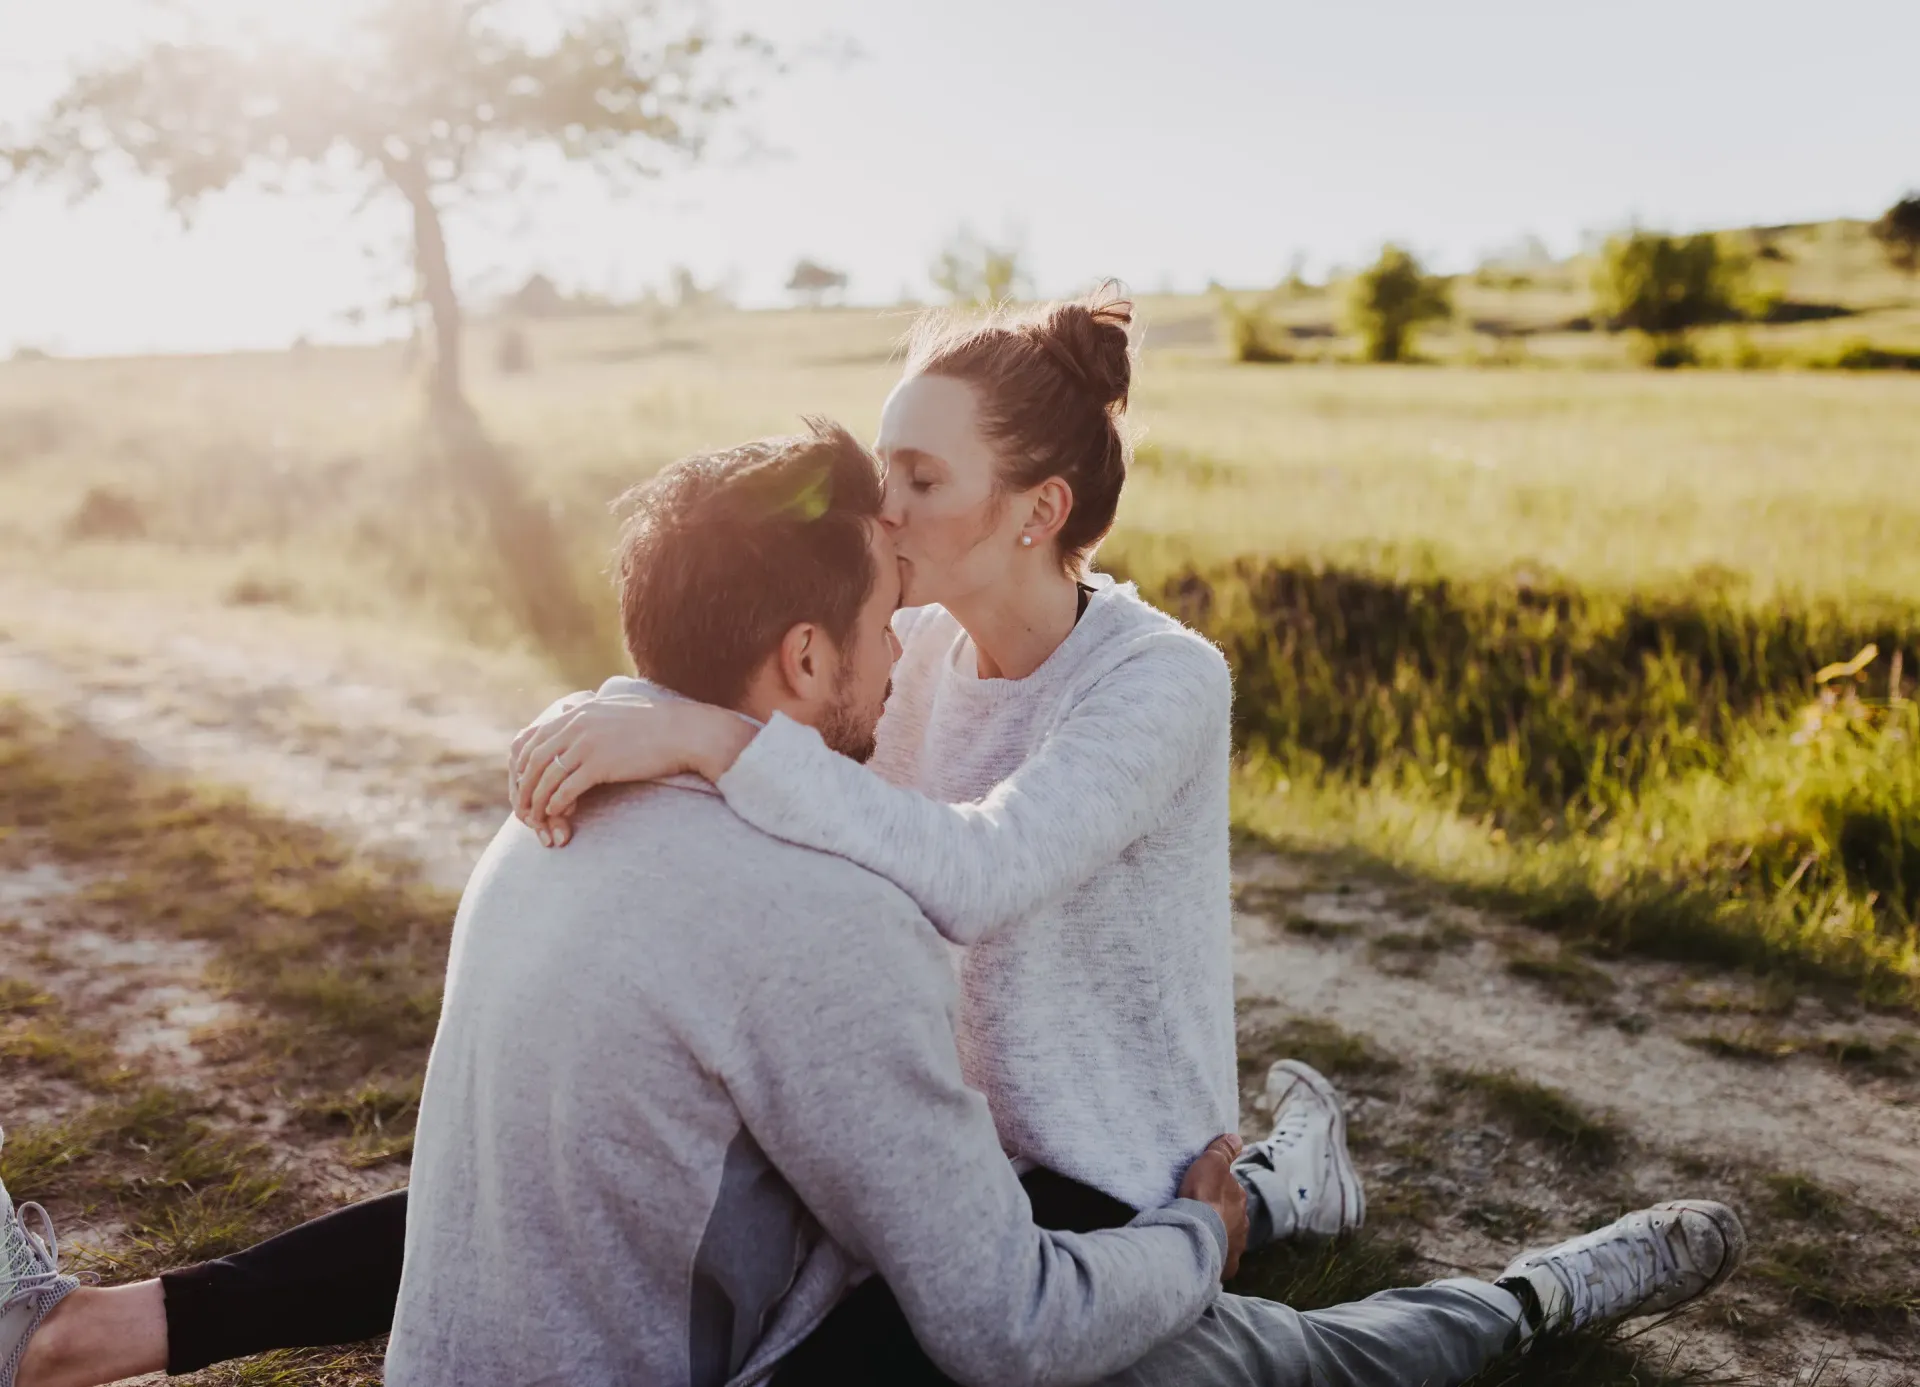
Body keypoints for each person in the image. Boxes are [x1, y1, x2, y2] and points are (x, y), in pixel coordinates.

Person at [5, 422, 1747, 1387]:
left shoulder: (552, 819)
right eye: (880, 596)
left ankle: (1293, 1206)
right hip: (832, 1335)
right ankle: (1538, 1293)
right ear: (808, 652)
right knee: (1246, 1357)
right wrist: (1195, 1238)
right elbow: (1002, 1322)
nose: (911, 616)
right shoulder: (813, 919)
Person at [509, 285, 1361, 1249]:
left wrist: (709, 740)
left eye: (922, 479)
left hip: (1100, 1171)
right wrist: (615, 710)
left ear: (1040, 509)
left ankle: (1286, 1188)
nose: (883, 508)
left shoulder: (1162, 681)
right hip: (930, 1142)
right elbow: (755, 705)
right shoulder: (902, 646)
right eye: (885, 471)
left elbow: (983, 873)